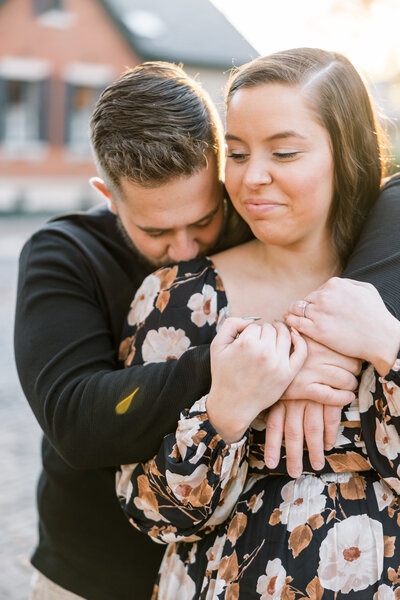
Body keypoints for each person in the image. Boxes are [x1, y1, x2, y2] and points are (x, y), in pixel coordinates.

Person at [14, 58, 399, 600]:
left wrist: (383, 344)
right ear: (108, 198)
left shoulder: (377, 261)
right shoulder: (80, 260)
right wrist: (251, 374)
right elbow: (75, 419)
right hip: (92, 567)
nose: (188, 246)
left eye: (203, 219)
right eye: (156, 229)